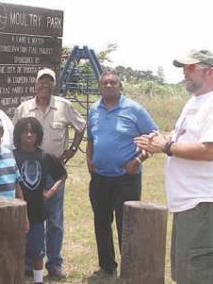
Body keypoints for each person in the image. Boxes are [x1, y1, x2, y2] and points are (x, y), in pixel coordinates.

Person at [135, 50, 213, 284]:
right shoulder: (195, 102)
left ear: (209, 72)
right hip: (188, 203)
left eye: (190, 68)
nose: (184, 73)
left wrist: (167, 147)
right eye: (184, 68)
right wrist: (158, 142)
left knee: (201, 274)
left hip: (203, 203)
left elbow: (210, 150)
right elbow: (181, 139)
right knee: (186, 274)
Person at [12, 68, 86, 278]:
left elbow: (81, 126)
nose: (45, 85)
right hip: (25, 174)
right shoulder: (24, 108)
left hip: (52, 172)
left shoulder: (64, 106)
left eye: (49, 82)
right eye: (41, 82)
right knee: (28, 218)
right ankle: (28, 263)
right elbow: (15, 136)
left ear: (54, 85)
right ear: (35, 84)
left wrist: (72, 150)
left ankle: (54, 263)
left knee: (54, 220)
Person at [87, 71, 158, 276]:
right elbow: (91, 138)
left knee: (127, 225)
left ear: (120, 86)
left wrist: (137, 160)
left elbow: (154, 138)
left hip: (127, 179)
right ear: (100, 86)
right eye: (105, 82)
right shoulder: (94, 110)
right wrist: (89, 159)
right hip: (100, 178)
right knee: (101, 222)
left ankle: (130, 267)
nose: (109, 85)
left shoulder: (134, 109)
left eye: (113, 82)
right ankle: (107, 266)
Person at [13, 117, 67, 284]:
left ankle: (38, 279)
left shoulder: (45, 156)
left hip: (37, 209)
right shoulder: (12, 155)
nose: (29, 135)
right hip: (16, 209)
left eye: (33, 132)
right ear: (18, 134)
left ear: (39, 135)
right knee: (15, 246)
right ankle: (17, 275)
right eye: (25, 132)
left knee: (37, 248)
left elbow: (62, 174)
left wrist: (51, 191)